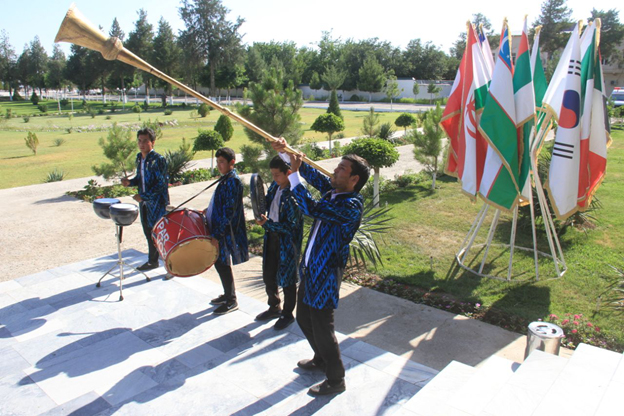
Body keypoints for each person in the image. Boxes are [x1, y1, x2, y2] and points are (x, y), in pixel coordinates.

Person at [272, 138, 370, 396]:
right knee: (304, 318)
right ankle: (321, 357)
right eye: (337, 166)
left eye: (342, 169)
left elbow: (310, 207)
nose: (335, 171)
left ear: (354, 180)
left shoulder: (350, 205)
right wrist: (286, 154)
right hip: (311, 270)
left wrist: (293, 175)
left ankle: (336, 379)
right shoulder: (335, 191)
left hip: (326, 274)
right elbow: (312, 175)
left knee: (322, 325)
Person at [255, 156, 303, 330]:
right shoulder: (276, 187)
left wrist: (268, 224)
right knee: (269, 274)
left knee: (288, 280)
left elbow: (291, 227)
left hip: (287, 243)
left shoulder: (294, 196)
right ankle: (274, 306)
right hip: (272, 238)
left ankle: (288, 314)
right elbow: (267, 202)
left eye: (277, 175)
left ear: (288, 173)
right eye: (272, 175)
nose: (274, 179)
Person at [205, 147, 249, 315]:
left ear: (232, 162)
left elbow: (228, 212)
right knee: (219, 263)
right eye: (217, 162)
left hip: (224, 232)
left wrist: (217, 235)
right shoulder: (225, 179)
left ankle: (231, 300)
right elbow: (220, 204)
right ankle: (227, 294)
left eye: (222, 162)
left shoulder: (233, 181)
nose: (219, 165)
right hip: (218, 229)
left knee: (223, 264)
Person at [122, 128, 169, 273]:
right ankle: (152, 261)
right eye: (139, 141)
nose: (141, 144)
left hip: (157, 204)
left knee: (160, 234)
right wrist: (130, 182)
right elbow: (140, 178)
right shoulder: (139, 158)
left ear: (152, 142)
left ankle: (171, 266)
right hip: (144, 204)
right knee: (148, 233)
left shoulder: (158, 160)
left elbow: (161, 184)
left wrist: (144, 196)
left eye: (145, 141)